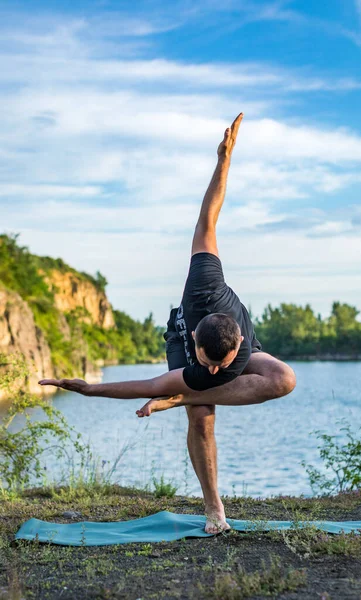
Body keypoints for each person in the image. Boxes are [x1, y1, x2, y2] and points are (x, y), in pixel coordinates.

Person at [40, 113, 296, 533]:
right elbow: (208, 217)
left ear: (236, 348)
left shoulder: (238, 346)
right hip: (182, 333)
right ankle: (215, 511)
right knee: (203, 416)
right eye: (208, 364)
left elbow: (213, 219)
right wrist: (86, 389)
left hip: (224, 341)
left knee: (283, 378)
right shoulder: (201, 288)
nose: (214, 370)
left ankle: (185, 397)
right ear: (198, 341)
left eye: (221, 365)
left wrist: (228, 159)